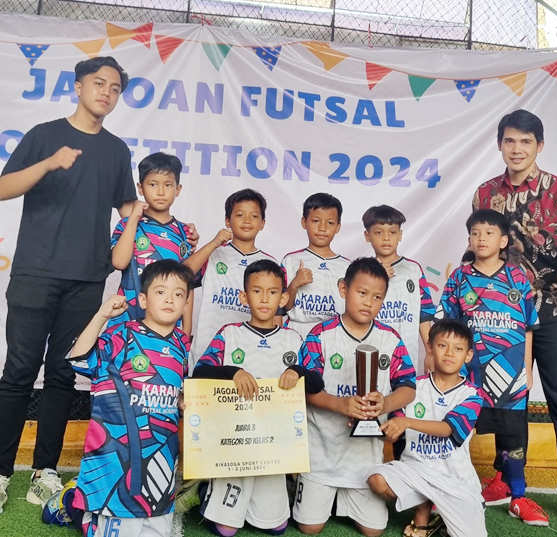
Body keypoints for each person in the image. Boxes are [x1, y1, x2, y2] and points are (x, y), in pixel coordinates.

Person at [0, 56, 139, 511]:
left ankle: (45, 469)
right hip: (35, 273)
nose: (106, 93)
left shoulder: (116, 150)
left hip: (86, 279)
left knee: (62, 374)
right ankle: (1, 472)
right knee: (19, 372)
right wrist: (48, 164)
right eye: (99, 83)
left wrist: (169, 224)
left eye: (115, 88)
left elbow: (127, 207)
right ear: (78, 87)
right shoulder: (44, 135)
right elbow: (3, 188)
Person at [472, 109, 557, 531]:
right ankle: (506, 477)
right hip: (504, 314)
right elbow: (480, 250)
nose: (517, 149)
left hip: (556, 309)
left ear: (540, 146)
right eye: (510, 140)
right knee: (509, 398)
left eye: (526, 141)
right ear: (500, 144)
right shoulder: (485, 194)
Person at [190, 259, 322, 536]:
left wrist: (296, 371)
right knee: (226, 530)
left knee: (276, 527)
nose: (264, 299)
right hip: (235, 443)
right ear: (243, 296)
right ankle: (207, 491)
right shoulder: (230, 334)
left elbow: (316, 382)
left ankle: (267, 499)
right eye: (257, 291)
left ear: (283, 298)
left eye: (272, 292)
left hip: (273, 446)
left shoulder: (293, 339)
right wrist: (232, 372)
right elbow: (199, 373)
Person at [63, 260, 194, 536]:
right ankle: (73, 507)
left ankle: (76, 505)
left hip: (161, 461)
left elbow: (175, 390)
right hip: (116, 463)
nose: (169, 299)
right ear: (143, 300)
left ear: (185, 304)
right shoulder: (123, 334)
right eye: (161, 292)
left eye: (178, 294)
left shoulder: (183, 344)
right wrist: (102, 315)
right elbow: (79, 359)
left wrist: (183, 401)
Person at [437, 209, 546, 526]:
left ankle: (518, 497)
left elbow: (528, 327)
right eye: (475, 233)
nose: (481, 238)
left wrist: (527, 368)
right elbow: (446, 326)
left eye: (488, 233)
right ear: (469, 239)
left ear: (503, 241)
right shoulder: (460, 278)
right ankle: (447, 492)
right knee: (456, 432)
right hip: (469, 377)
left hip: (511, 377)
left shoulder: (518, 278)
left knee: (513, 439)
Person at [293, 257, 416, 537]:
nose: (368, 302)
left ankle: (345, 499)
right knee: (309, 528)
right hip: (322, 455)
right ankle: (305, 485)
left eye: (377, 297)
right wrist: (340, 404)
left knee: (374, 531)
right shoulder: (320, 335)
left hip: (364, 460)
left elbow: (408, 387)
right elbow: (305, 388)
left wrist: (386, 403)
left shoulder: (390, 338)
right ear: (343, 289)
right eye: (362, 293)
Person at [367, 319, 486, 537]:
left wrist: (407, 422)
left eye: (458, 349)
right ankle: (423, 509)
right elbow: (394, 434)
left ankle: (446, 515)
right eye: (442, 345)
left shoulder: (472, 394)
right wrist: (372, 424)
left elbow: (447, 429)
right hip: (415, 470)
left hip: (454, 479)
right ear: (430, 348)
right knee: (377, 478)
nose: (449, 353)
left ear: (468, 355)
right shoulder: (412, 388)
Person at [184, 189, 276, 370]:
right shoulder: (213, 253)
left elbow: (276, 315)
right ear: (227, 220)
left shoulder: (269, 263)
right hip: (206, 351)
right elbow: (181, 275)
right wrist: (214, 243)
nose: (247, 220)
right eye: (240, 215)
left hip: (249, 352)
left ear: (262, 223)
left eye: (254, 216)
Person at [109, 152, 194, 334]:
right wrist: (133, 218)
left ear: (178, 189)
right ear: (140, 188)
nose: (160, 192)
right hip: (126, 317)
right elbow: (119, 262)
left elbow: (187, 282)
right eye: (153, 184)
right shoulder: (127, 224)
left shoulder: (184, 232)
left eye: (168, 185)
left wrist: (186, 332)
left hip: (166, 323)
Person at [362, 205, 435, 374]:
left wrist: (430, 353)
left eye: (392, 232)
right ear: (367, 236)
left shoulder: (413, 270)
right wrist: (377, 278)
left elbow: (424, 315)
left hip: (407, 356)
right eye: (379, 232)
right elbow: (354, 310)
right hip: (371, 353)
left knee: (405, 389)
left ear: (400, 235)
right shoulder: (362, 271)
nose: (386, 238)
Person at [281, 193, 350, 339]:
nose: (322, 228)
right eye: (316, 221)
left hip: (334, 333)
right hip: (298, 331)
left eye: (330, 223)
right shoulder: (291, 260)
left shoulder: (347, 266)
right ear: (304, 222)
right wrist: (295, 284)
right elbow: (282, 306)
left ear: (338, 227)